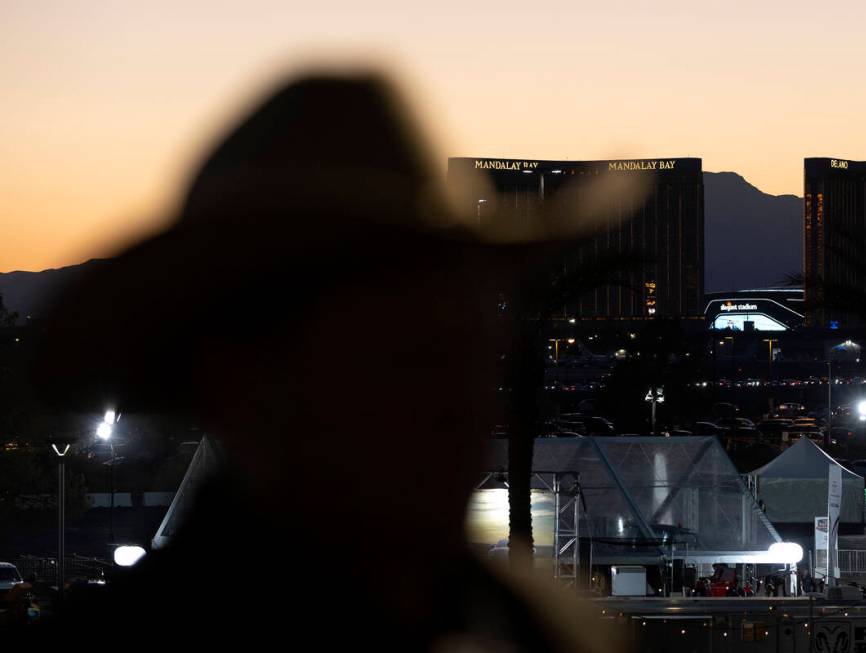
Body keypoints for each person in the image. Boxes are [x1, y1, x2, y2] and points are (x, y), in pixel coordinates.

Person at [35, 73, 629, 650]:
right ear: (242, 383)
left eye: (473, 357)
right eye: (409, 361)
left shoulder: (536, 624)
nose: (466, 407)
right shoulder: (535, 624)